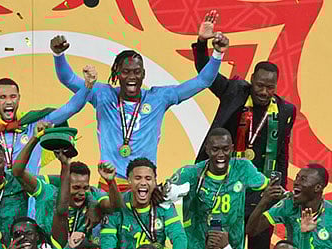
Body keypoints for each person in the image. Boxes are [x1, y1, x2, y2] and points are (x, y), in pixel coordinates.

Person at [192, 10, 296, 249]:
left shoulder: (285, 111)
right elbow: (207, 76)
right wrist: (203, 44)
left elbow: (283, 151)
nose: (264, 92)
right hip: (228, 189)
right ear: (252, 81)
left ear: (276, 87)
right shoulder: (235, 92)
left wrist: (278, 188)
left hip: (260, 191)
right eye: (260, 85)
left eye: (270, 88)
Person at [50, 33, 228, 179]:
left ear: (143, 74)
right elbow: (68, 79)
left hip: (144, 184)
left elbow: (203, 80)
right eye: (126, 72)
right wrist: (58, 55)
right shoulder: (102, 94)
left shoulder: (159, 98)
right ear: (117, 74)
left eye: (137, 72)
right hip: (110, 184)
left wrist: (217, 54)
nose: (131, 77)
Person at [168, 127, 269, 249]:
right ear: (207, 149)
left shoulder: (242, 168)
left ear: (232, 149)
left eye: (225, 149)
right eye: (215, 149)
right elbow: (164, 195)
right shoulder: (191, 174)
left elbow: (268, 186)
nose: (221, 155)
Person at [11, 121, 121, 248]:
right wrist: (35, 138)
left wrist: (111, 181)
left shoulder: (94, 195)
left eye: (85, 187)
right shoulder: (47, 193)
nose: (81, 193)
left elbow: (116, 207)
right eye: (76, 187)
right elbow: (17, 171)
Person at [101, 158, 187, 249]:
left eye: (148, 178)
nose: (143, 182)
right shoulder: (118, 206)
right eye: (137, 178)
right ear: (129, 180)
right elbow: (107, 242)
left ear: (154, 181)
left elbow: (180, 238)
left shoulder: (164, 206)